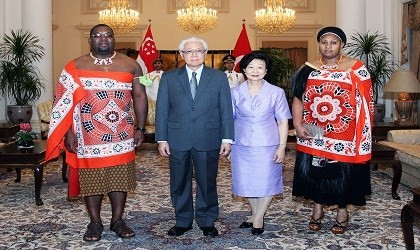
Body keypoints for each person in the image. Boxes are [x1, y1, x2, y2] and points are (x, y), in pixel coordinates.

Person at [45, 24, 148, 241]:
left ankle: (117, 220)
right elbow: (64, 103)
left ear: (114, 39)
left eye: (108, 35)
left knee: (120, 179)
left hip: (122, 134)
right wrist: (68, 133)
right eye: (97, 36)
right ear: (90, 40)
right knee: (92, 179)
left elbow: (139, 97)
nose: (103, 39)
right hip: (86, 135)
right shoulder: (74, 66)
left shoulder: (132, 66)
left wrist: (140, 128)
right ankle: (95, 222)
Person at [291, 26, 373, 234]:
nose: (328, 46)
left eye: (333, 42)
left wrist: (360, 134)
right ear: (319, 44)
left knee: (342, 174)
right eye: (324, 42)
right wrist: (298, 125)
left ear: (341, 45)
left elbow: (366, 102)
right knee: (316, 171)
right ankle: (317, 209)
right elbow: (298, 99)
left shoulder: (356, 68)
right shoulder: (307, 69)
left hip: (344, 130)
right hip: (314, 129)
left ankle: (342, 211)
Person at [155, 36, 234, 238]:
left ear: (205, 54)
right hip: (176, 138)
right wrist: (161, 138)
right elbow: (162, 109)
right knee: (179, 182)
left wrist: (227, 138)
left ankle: (207, 220)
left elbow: (226, 109)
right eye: (189, 51)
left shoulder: (218, 77)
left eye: (198, 51)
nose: (194, 55)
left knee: (207, 182)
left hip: (208, 137)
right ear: (182, 55)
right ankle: (182, 221)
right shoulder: (169, 77)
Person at [230, 51, 291, 235]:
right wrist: (228, 144)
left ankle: (258, 217)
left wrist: (282, 147)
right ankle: (256, 212)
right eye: (251, 67)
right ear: (244, 70)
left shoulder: (276, 92)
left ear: (266, 71)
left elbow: (282, 121)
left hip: (268, 144)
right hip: (241, 143)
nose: (255, 71)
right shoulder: (234, 92)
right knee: (245, 181)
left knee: (267, 181)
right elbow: (229, 120)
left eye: (260, 67)